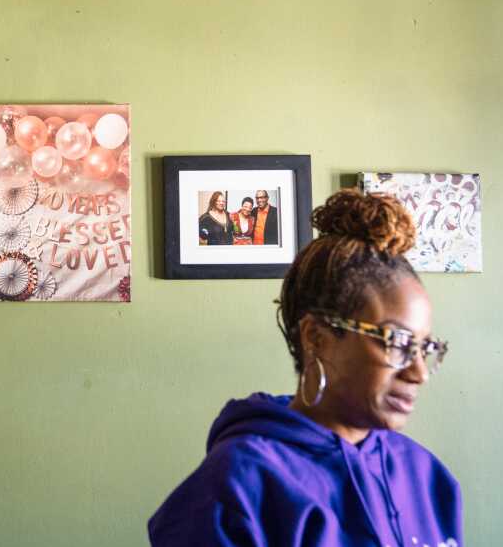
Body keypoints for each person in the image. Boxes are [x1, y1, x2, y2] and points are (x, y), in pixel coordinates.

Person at [149, 190, 461, 547]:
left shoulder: (426, 476)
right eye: (397, 342)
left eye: (425, 348)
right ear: (316, 337)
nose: (418, 373)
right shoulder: (235, 489)